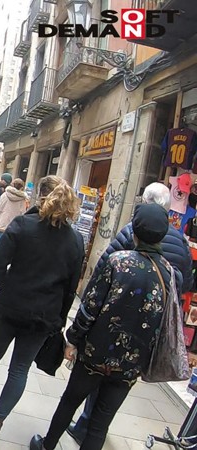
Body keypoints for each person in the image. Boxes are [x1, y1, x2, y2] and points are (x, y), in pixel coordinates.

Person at [30, 203, 172, 450]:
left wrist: (73, 339)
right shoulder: (168, 273)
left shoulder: (118, 262)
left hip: (95, 356)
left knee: (69, 402)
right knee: (100, 423)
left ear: (135, 231)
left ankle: (46, 445)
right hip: (130, 364)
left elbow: (90, 306)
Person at [66, 181, 191, 445]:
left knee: (99, 376)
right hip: (148, 330)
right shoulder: (180, 242)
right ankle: (96, 428)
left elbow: (104, 268)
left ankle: (85, 424)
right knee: (119, 384)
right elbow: (186, 284)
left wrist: (85, 313)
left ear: (145, 203)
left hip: (115, 323)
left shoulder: (132, 231)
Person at [0, 176, 85, 445]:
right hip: (43, 317)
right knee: (19, 370)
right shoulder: (75, 240)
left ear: (39, 197)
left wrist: (8, 285)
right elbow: (71, 288)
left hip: (11, 306)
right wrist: (59, 320)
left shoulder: (23, 225)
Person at [0, 178, 28, 252]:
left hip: (1, 224)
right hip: (13, 227)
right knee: (7, 248)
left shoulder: (4, 195)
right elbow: (23, 215)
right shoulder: (23, 200)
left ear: (13, 184)